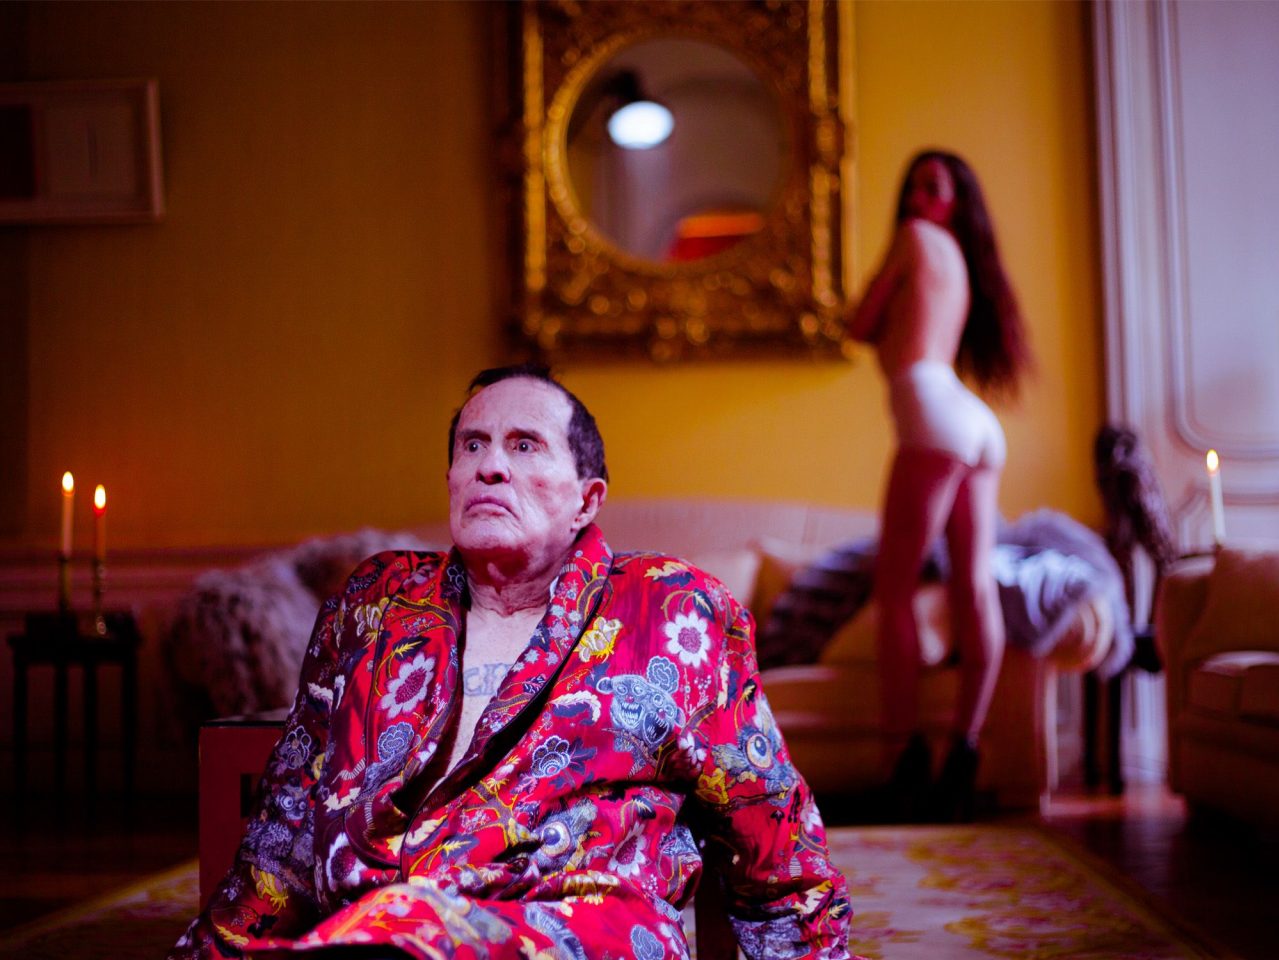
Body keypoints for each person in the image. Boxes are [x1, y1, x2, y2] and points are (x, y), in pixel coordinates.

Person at [170, 363, 852, 960]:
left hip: (573, 933)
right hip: (370, 931)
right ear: (450, 480)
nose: (490, 466)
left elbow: (776, 849)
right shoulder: (374, 605)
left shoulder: (669, 610)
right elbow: (286, 829)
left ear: (587, 499)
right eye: (473, 446)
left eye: (524, 445)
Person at [845, 150, 1032, 822]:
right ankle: (965, 748)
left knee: (894, 590)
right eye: (915, 186)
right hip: (973, 421)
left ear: (954, 200)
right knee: (972, 585)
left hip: (933, 413)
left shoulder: (913, 237)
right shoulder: (958, 256)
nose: (920, 198)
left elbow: (858, 323)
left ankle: (904, 756)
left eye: (934, 187)